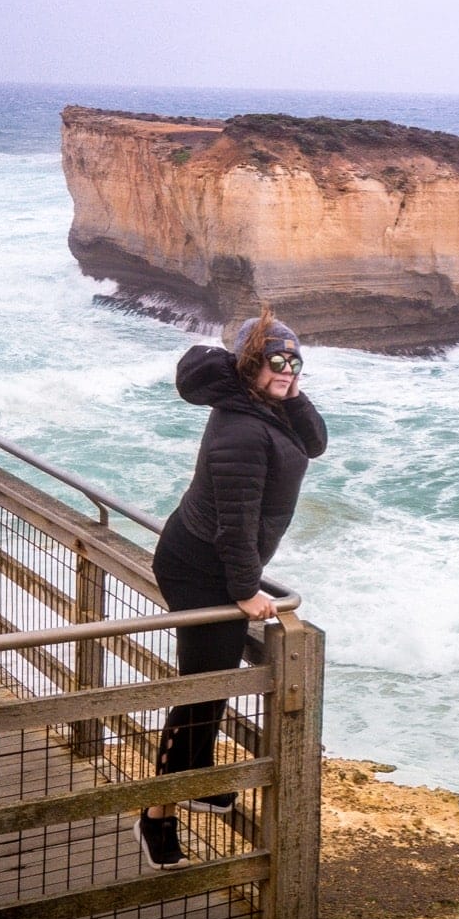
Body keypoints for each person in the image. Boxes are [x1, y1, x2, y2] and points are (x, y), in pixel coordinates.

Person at [135, 309, 327, 868]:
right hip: (200, 568)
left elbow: (314, 443)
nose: (288, 369)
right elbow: (235, 522)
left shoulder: (264, 406)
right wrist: (246, 591)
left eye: (295, 360)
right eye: (276, 360)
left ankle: (194, 780)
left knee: (214, 683)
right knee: (201, 689)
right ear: (249, 364)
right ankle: (155, 816)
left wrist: (287, 390)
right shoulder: (241, 427)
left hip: (216, 564)